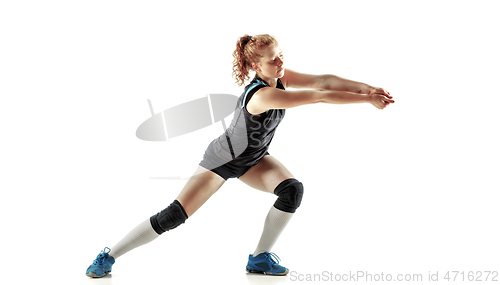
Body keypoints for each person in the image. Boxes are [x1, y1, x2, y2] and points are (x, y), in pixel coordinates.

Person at [85, 34, 395, 278]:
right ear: (256, 67)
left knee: (291, 190)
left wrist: (368, 89)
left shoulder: (281, 78)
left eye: (281, 54)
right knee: (175, 215)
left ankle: (259, 258)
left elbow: (323, 80)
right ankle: (109, 255)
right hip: (222, 160)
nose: (280, 61)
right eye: (273, 60)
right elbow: (319, 96)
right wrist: (365, 101)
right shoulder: (264, 94)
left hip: (254, 158)